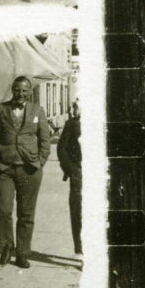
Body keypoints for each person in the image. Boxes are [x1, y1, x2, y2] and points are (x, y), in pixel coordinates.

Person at [0, 76, 51, 268]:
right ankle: (6, 247)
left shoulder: (38, 111)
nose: (20, 94)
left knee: (26, 213)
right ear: (12, 90)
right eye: (17, 90)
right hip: (4, 169)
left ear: (29, 92)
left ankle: (22, 253)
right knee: (3, 210)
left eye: (24, 91)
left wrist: (41, 161)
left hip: (29, 169)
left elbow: (45, 140)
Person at [57, 99, 82, 257]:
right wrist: (71, 169)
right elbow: (62, 149)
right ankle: (80, 247)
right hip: (79, 173)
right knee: (78, 211)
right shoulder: (72, 124)